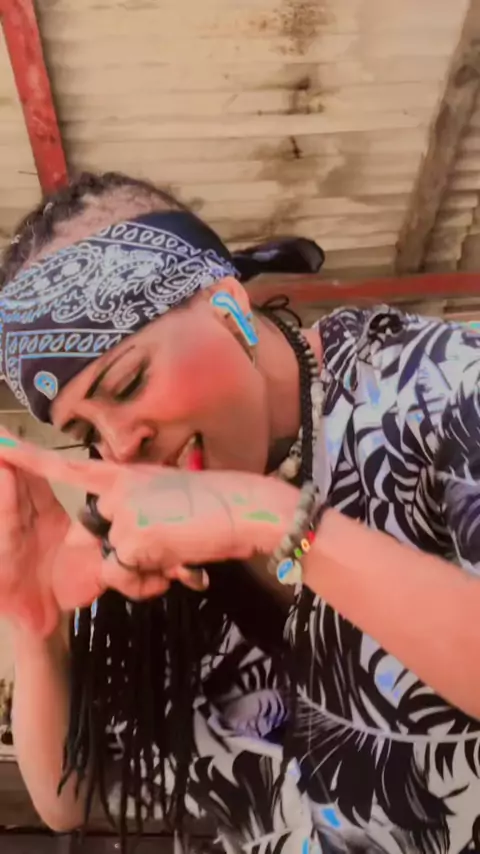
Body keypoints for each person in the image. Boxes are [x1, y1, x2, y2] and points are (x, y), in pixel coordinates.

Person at [0, 171, 480, 854]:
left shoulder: (441, 391)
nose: (121, 446)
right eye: (87, 432)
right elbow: (65, 799)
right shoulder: (145, 542)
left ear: (228, 308)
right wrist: (36, 623)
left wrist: (270, 520)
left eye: (128, 383)